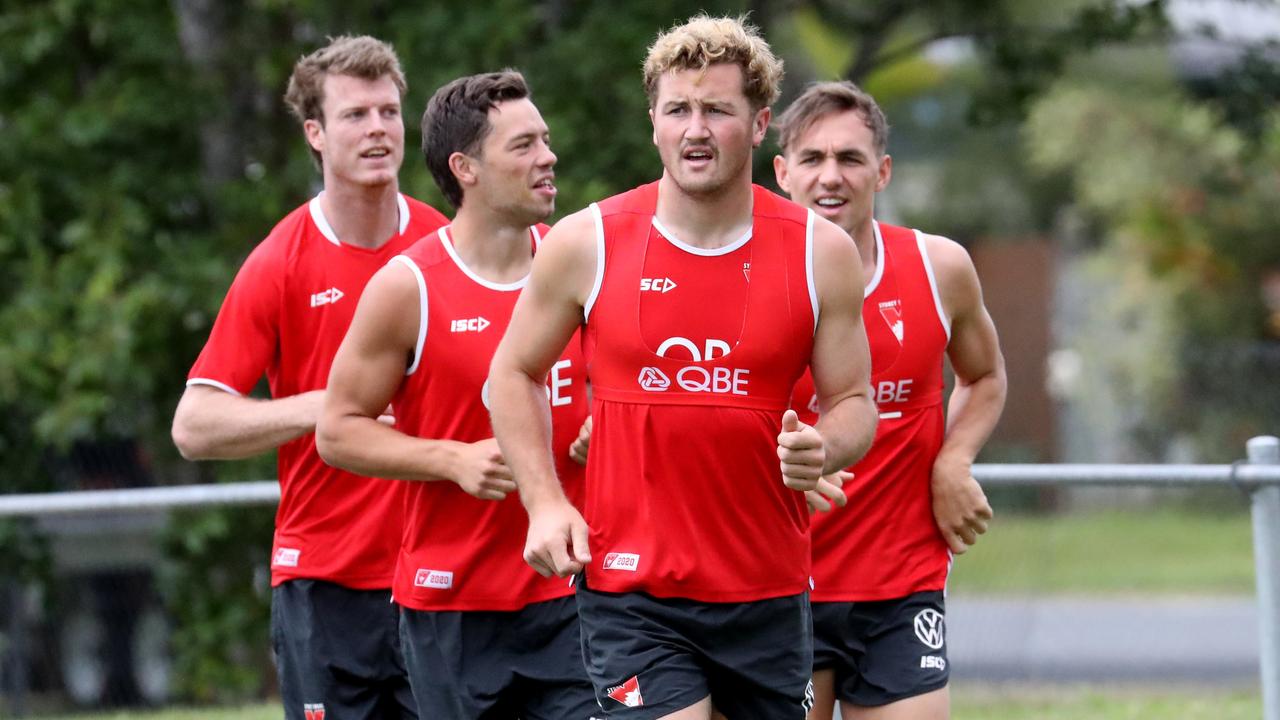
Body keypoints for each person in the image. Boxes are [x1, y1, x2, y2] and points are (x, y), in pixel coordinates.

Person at [487, 16, 879, 720]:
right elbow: (511, 375)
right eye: (678, 110)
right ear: (654, 124)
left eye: (717, 110)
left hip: (767, 592)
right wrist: (543, 500)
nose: (695, 129)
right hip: (631, 596)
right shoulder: (588, 241)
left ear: (759, 125)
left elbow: (854, 402)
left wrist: (824, 446)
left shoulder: (821, 254)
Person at [170, 35, 447, 720]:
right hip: (325, 582)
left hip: (441, 577)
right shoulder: (280, 262)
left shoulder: (445, 247)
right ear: (316, 133)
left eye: (389, 111)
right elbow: (194, 426)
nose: (378, 129)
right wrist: (328, 407)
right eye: (356, 115)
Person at [315, 70, 596, 720]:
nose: (548, 156)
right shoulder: (407, 286)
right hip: (453, 607)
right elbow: (338, 429)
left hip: (573, 595)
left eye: (546, 140)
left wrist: (601, 428)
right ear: (464, 167)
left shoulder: (581, 262)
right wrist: (451, 460)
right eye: (523, 145)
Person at [773, 81, 1008, 720]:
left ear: (882, 171)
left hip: (901, 583)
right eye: (812, 159)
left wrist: (952, 462)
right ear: (781, 172)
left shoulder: (939, 268)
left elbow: (985, 378)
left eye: (850, 159)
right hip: (777, 586)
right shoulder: (747, 281)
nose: (831, 177)